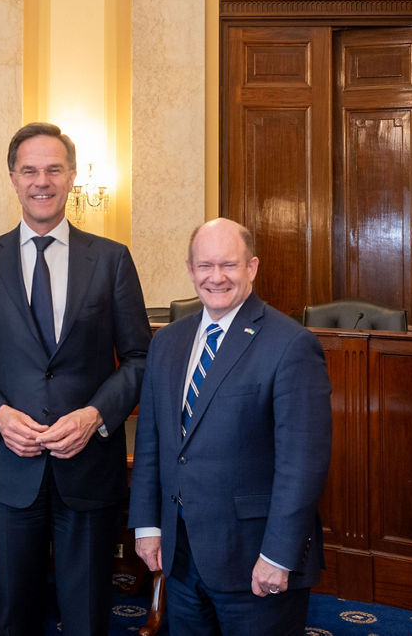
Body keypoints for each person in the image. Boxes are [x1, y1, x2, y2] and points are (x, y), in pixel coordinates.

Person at [0, 122, 151, 636]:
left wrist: (94, 416)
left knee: (86, 615)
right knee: (15, 614)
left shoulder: (111, 259)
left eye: (54, 169)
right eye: (30, 170)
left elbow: (139, 359)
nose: (43, 180)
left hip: (89, 465)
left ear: (72, 176)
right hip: (12, 471)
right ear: (13, 178)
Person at [128, 218, 332, 636]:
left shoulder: (291, 344)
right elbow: (153, 443)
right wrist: (149, 526)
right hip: (181, 560)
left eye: (229, 265)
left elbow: (302, 464)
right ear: (189, 269)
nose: (215, 277)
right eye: (204, 266)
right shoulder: (167, 342)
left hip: (254, 563)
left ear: (252, 268)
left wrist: (278, 556)